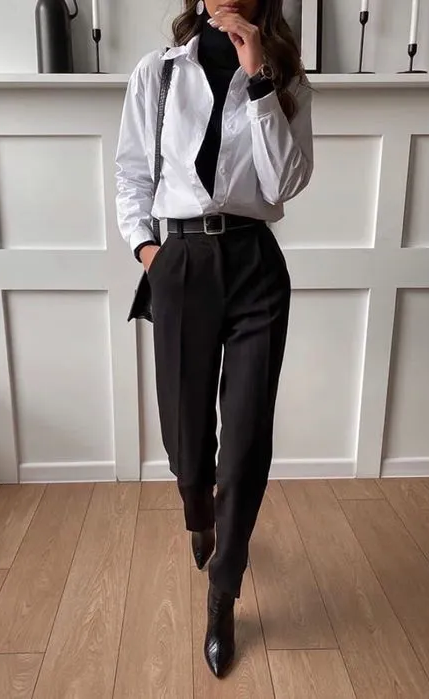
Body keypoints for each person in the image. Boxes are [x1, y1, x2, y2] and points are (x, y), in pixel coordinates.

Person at [115, 0, 313, 678]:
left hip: (256, 264)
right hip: (181, 261)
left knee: (248, 436)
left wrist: (259, 81)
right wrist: (149, 253)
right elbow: (132, 173)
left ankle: (224, 588)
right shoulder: (158, 72)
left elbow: (286, 182)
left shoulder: (284, 77)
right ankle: (196, 505)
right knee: (186, 434)